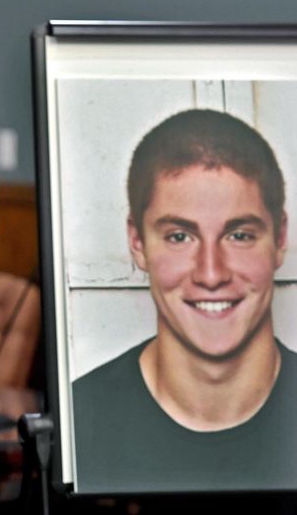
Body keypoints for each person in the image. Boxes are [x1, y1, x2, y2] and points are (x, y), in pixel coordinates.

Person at [72, 109, 297, 492]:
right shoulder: (78, 420)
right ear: (137, 243)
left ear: (279, 239)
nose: (211, 274)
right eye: (179, 236)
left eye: (239, 235)